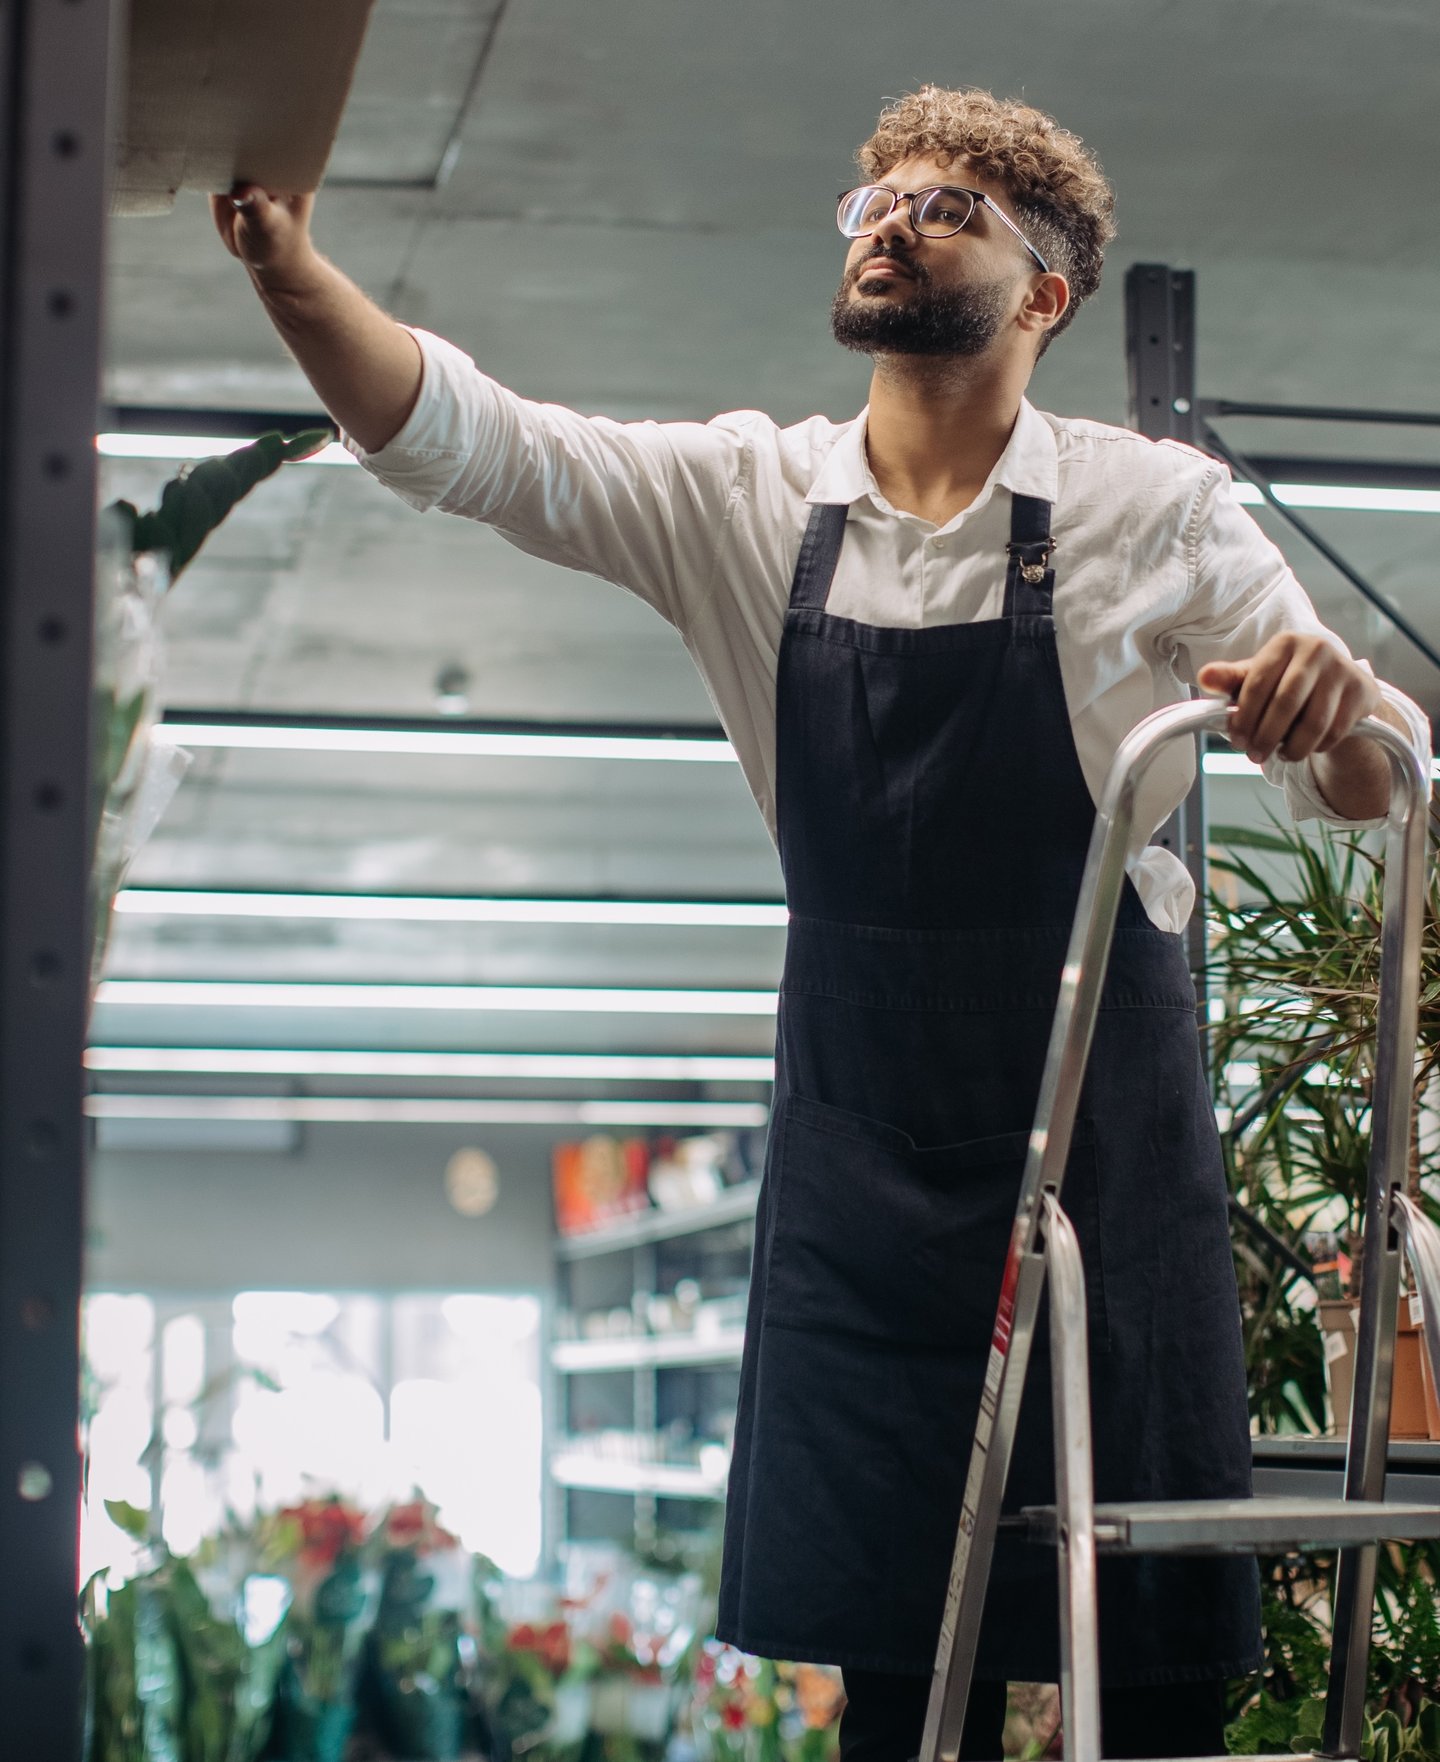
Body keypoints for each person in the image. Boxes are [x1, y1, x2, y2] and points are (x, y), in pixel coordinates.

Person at [213, 85, 1427, 1761]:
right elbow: (469, 441)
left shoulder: (1160, 508)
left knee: (1144, 1676)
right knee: (887, 1669)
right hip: (862, 1158)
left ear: (1047, 291)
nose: (893, 220)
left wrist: (1327, 704)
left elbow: (1368, 778)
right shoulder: (747, 495)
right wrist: (287, 268)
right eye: (875, 200)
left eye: (949, 208)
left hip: (1105, 1148)